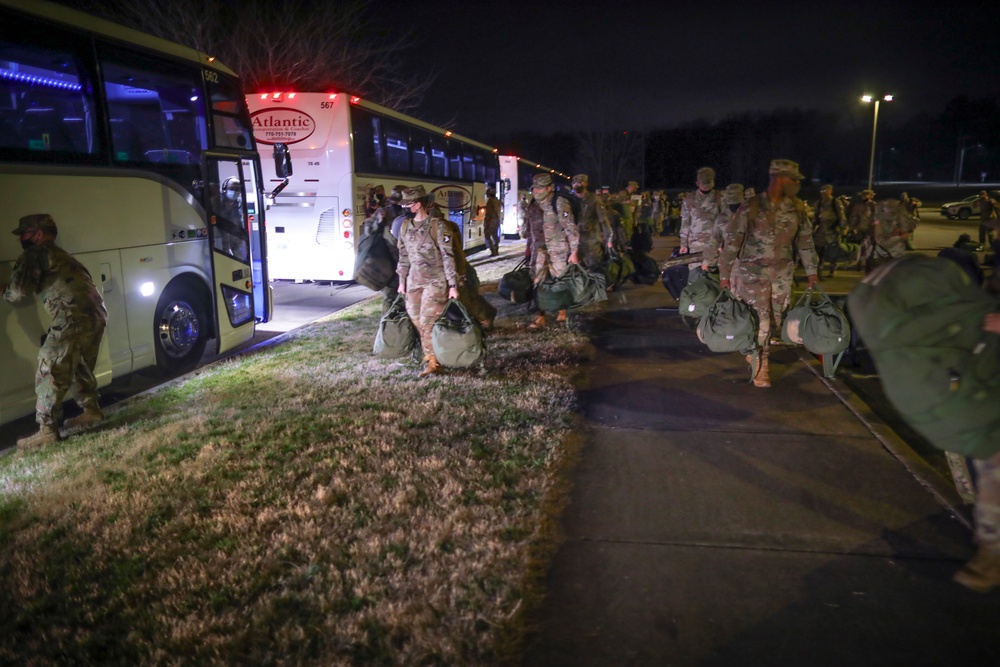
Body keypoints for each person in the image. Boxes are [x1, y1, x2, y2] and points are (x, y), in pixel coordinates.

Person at [2, 214, 108, 447]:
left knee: (49, 368)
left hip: (72, 317)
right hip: (96, 314)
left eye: (24, 234)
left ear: (38, 234)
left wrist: (4, 290)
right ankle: (91, 410)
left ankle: (47, 431)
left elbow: (18, 291)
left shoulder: (36, 253)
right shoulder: (62, 255)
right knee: (76, 364)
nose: (21, 239)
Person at [719, 160, 819, 388]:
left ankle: (751, 349)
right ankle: (761, 366)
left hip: (783, 274)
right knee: (761, 321)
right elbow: (733, 242)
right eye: (793, 180)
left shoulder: (797, 208)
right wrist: (725, 275)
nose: (796, 185)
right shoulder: (751, 206)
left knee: (775, 320)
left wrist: (812, 271)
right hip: (752, 274)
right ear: (780, 179)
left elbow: (805, 242)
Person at [396, 186, 460, 377]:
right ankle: (431, 352)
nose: (406, 207)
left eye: (409, 203)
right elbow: (403, 256)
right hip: (414, 281)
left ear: (418, 204)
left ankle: (434, 362)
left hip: (435, 281)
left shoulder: (438, 226)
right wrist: (402, 281)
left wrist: (453, 284)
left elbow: (448, 256)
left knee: (427, 321)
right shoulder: (405, 226)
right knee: (415, 318)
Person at [523, 173, 580, 329]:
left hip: (558, 250)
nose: (536, 191)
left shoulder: (559, 202)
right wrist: (528, 248)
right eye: (534, 188)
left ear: (549, 188)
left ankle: (562, 312)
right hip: (539, 250)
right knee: (537, 281)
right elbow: (530, 229)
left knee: (560, 281)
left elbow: (571, 228)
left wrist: (574, 251)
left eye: (540, 188)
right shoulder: (533, 204)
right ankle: (540, 316)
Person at [364, 184, 406, 313]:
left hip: (408, 263)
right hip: (389, 262)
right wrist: (378, 221)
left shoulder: (411, 212)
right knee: (389, 298)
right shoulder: (384, 212)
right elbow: (368, 230)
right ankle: (389, 324)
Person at [680, 167, 728, 269]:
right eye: (704, 184)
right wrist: (683, 244)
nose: (706, 188)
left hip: (715, 244)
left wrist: (722, 243)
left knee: (713, 277)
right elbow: (685, 223)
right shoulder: (689, 199)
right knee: (695, 275)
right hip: (696, 245)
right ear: (697, 183)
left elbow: (725, 223)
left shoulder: (720, 198)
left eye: (708, 184)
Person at [571, 173, 613, 271]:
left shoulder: (594, 200)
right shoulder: (570, 200)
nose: (577, 185)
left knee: (595, 267)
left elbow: (604, 220)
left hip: (592, 241)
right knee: (576, 269)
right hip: (575, 241)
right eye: (575, 183)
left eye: (580, 183)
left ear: (585, 184)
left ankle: (598, 285)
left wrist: (609, 239)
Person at [812, 184, 848, 277]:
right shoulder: (819, 203)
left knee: (833, 250)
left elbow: (841, 216)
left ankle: (833, 269)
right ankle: (819, 268)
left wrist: (843, 228)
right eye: (822, 191)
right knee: (819, 249)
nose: (823, 193)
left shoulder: (835, 202)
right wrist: (812, 227)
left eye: (826, 191)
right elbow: (815, 217)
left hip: (833, 229)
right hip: (821, 230)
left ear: (830, 191)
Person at [483, 186, 502, 256]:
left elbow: (489, 212)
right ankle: (496, 250)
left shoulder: (490, 201)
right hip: (497, 219)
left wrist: (486, 221)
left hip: (491, 219)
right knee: (494, 235)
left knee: (487, 235)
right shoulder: (498, 201)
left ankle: (493, 251)